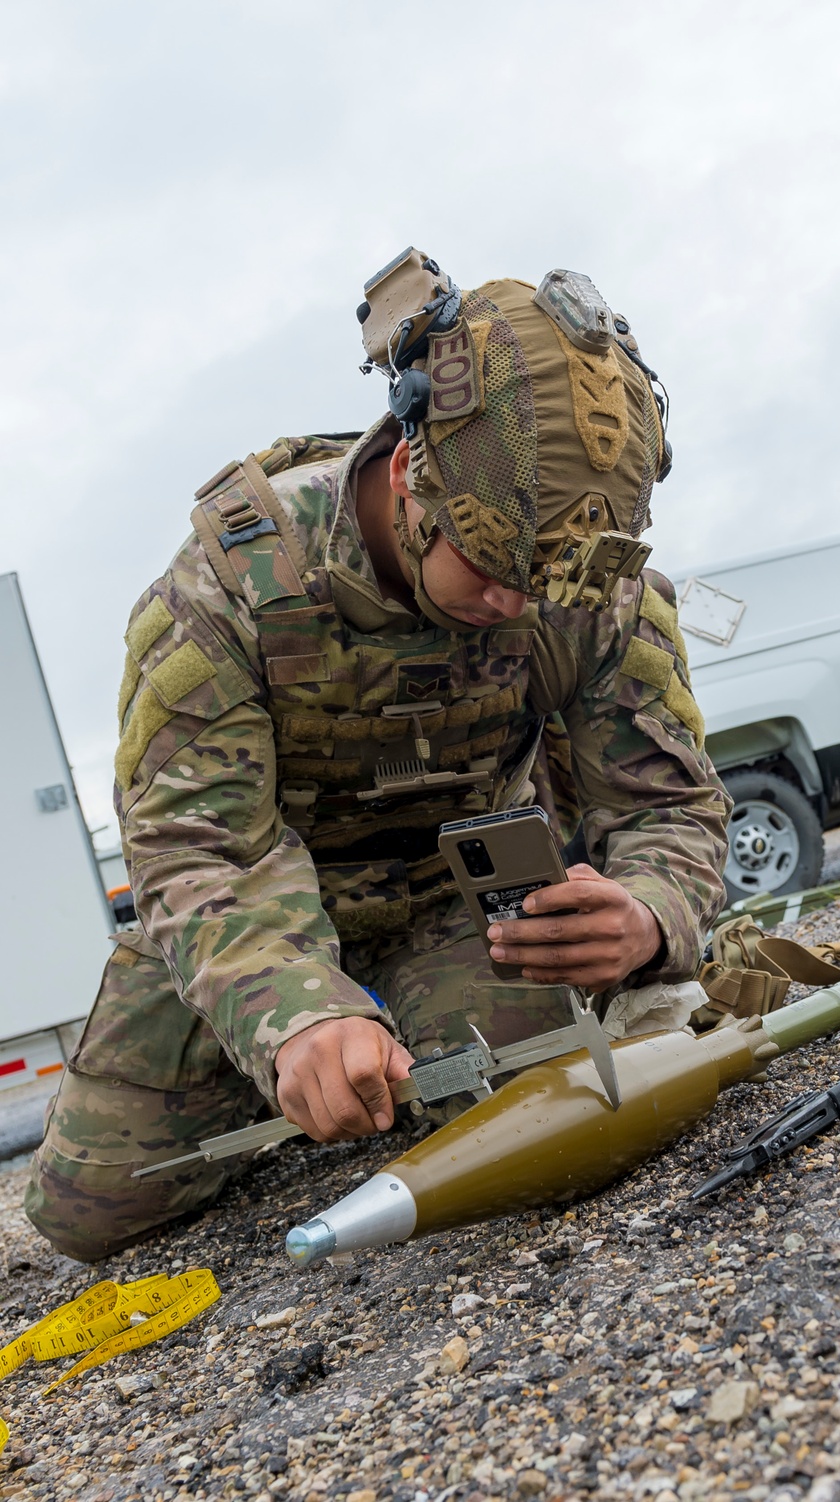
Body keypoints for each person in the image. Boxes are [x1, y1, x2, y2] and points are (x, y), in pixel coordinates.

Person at [26, 253, 731, 1261]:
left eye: (548, 582)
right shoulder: (227, 588)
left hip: (462, 907)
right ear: (411, 479)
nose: (520, 608)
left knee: (510, 1114)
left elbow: (668, 802)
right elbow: (198, 848)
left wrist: (650, 914)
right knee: (86, 1214)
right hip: (256, 921)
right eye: (492, 574)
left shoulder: (590, 586)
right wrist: (295, 1016)